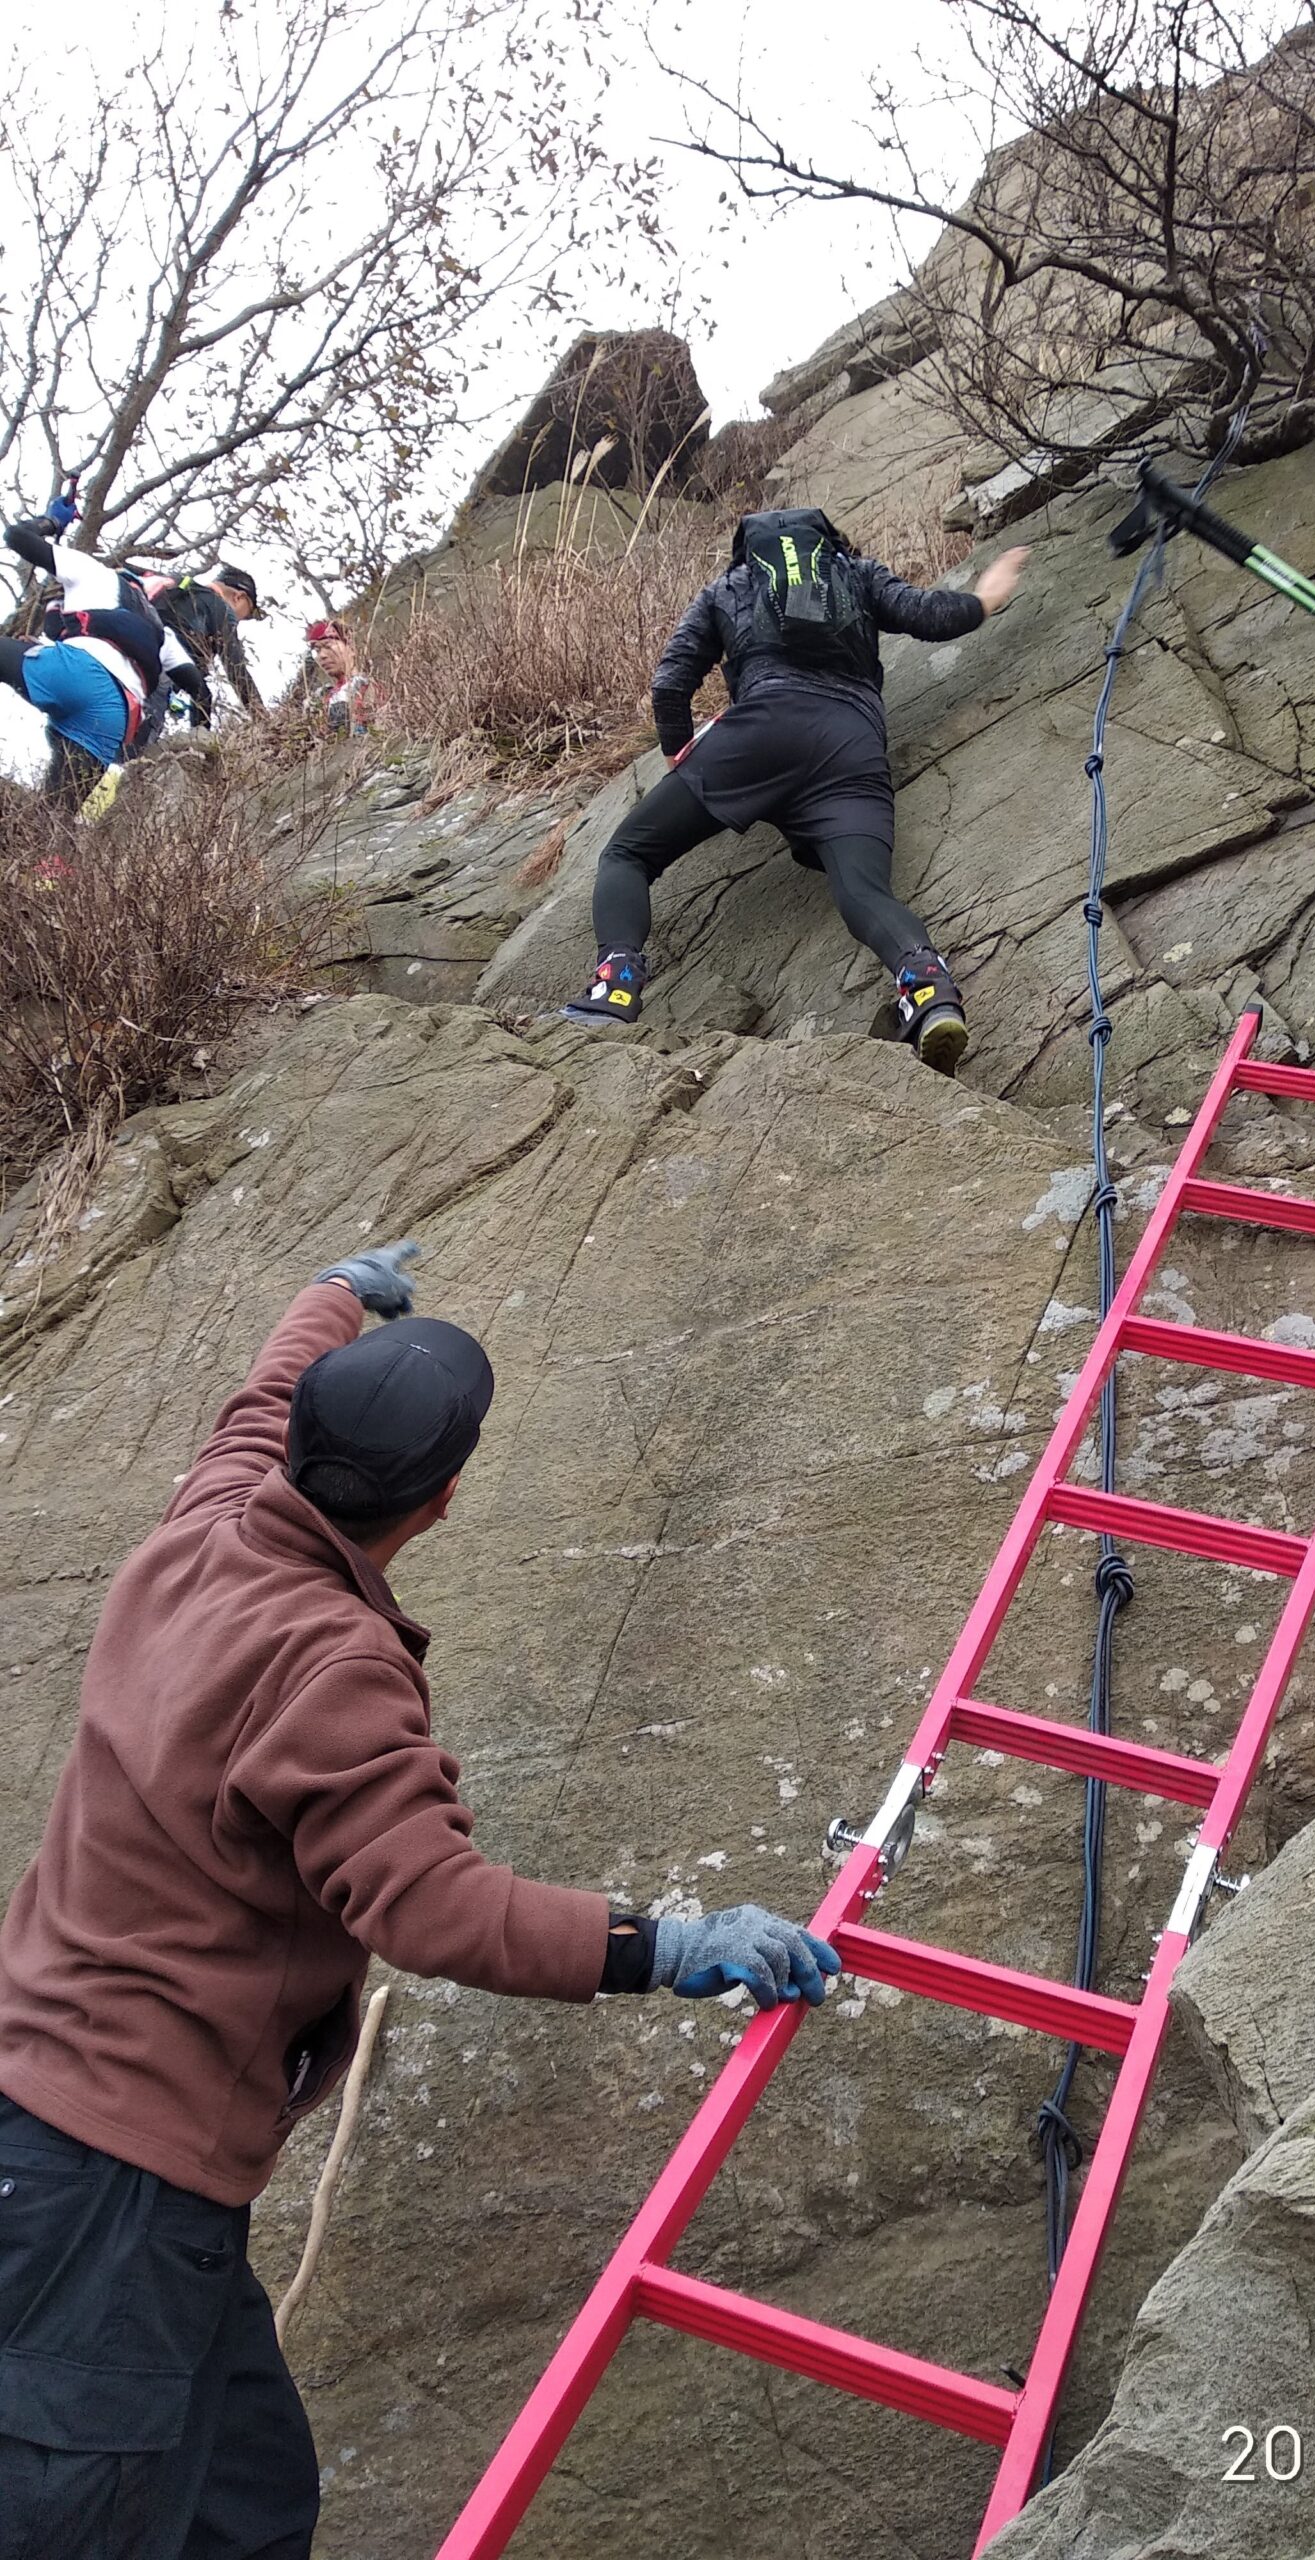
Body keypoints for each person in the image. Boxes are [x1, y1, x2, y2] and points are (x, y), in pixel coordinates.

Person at [0, 1240, 838, 2557]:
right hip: (117, 2184)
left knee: (251, 2506)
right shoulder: (333, 1667)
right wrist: (672, 1947)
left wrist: (335, 1297)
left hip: (56, 2124)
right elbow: (433, 1907)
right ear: (439, 1504)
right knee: (85, 2520)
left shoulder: (208, 1523)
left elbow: (257, 1400)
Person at [566, 506, 1029, 1073]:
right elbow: (931, 615)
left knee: (629, 852)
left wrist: (683, 756)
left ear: (748, 549)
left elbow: (670, 683)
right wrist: (983, 597)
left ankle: (613, 989)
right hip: (851, 742)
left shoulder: (730, 586)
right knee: (863, 892)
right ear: (827, 541)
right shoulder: (855, 574)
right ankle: (930, 988)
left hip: (760, 732)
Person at [0, 494, 180, 812]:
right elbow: (192, 680)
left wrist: (52, 522)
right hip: (116, 716)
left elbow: (16, 536)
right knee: (51, 826)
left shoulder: (96, 571)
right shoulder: (158, 630)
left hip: (77, 672)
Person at [142, 564, 266, 724]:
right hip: (161, 676)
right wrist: (261, 716)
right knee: (143, 730)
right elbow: (236, 669)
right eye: (245, 614)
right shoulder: (220, 607)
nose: (239, 621)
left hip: (128, 656)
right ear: (239, 598)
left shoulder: (177, 588)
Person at [305, 616, 378, 736]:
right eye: (317, 650)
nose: (322, 656)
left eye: (328, 646)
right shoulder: (323, 696)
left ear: (350, 647)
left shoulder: (366, 687)